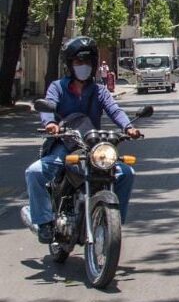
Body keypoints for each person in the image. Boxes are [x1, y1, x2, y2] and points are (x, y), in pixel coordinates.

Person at [24, 36, 141, 244]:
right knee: (34, 172)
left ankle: (114, 222)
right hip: (64, 144)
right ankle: (44, 222)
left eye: (87, 62)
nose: (83, 66)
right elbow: (48, 105)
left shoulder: (99, 90)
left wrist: (129, 127)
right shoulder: (57, 87)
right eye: (79, 62)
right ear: (70, 64)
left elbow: (114, 110)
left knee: (127, 173)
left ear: (94, 64)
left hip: (92, 146)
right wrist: (50, 123)